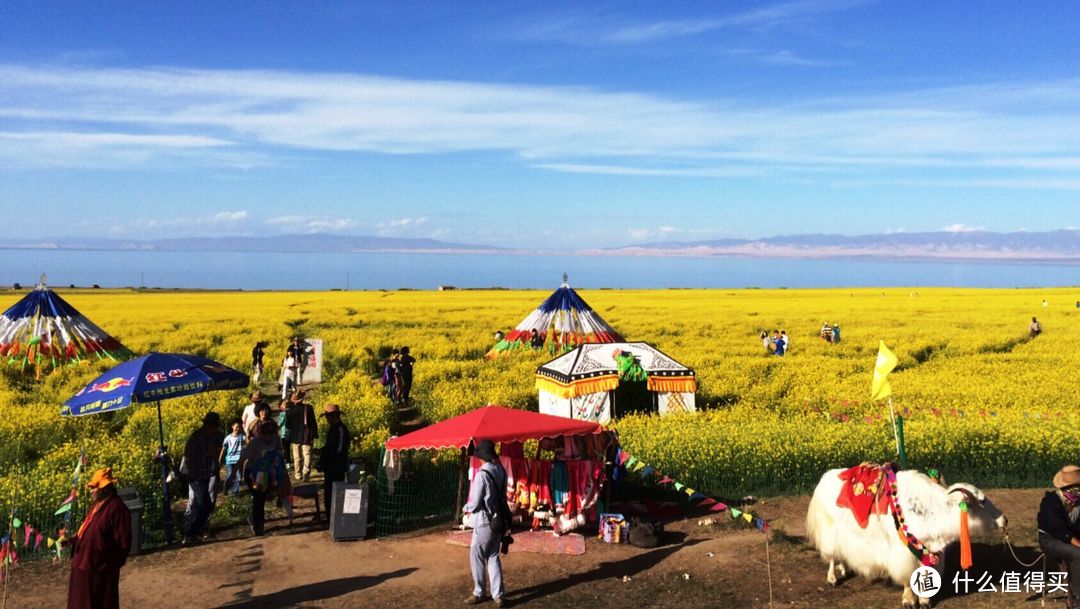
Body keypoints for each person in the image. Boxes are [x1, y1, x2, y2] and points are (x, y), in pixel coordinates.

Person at [67, 467, 131, 609]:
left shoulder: (117, 509)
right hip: (83, 566)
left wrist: (105, 565)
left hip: (99, 571)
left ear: (106, 488)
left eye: (95, 488)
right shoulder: (97, 506)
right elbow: (88, 529)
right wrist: (75, 539)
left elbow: (123, 544)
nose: (91, 491)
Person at [462, 439, 508, 607]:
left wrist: (464, 508)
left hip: (484, 521)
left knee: (477, 556)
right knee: (493, 556)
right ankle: (498, 594)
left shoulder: (482, 475)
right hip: (498, 520)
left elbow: (474, 502)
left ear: (480, 456)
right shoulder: (501, 470)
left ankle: (479, 592)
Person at [1038, 465, 1080, 607]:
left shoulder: (1078, 502)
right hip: (1050, 539)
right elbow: (1060, 531)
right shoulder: (1051, 502)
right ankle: (1076, 596)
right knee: (1077, 554)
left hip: (1071, 537)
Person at [240, 420, 290, 537]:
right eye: (266, 434)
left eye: (271, 434)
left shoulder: (276, 440)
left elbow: (279, 456)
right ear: (261, 434)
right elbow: (243, 459)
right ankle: (258, 527)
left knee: (265, 497)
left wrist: (283, 474)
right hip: (252, 473)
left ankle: (254, 519)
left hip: (266, 472)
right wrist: (232, 476)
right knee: (259, 498)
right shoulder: (255, 443)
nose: (268, 437)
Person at [182, 412, 223, 543]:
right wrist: (211, 454)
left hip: (205, 475)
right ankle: (189, 532)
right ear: (209, 425)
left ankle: (192, 532)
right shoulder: (197, 438)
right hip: (196, 476)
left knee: (202, 505)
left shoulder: (208, 437)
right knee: (205, 505)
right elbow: (192, 456)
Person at [319, 403, 351, 518]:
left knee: (336, 492)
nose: (327, 419)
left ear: (335, 416)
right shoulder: (333, 429)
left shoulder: (341, 430)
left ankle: (335, 517)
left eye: (328, 416)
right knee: (328, 493)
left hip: (337, 467)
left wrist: (326, 455)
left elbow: (339, 450)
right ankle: (329, 517)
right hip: (330, 466)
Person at [286, 390, 317, 482]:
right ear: (302, 399)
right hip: (307, 436)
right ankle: (306, 473)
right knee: (307, 455)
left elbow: (288, 426)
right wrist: (315, 434)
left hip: (295, 437)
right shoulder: (308, 408)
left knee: (297, 457)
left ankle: (298, 474)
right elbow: (313, 423)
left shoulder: (289, 411)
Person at [219, 419, 245, 497]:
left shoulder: (241, 437)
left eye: (240, 427)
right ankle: (225, 488)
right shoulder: (228, 438)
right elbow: (224, 448)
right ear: (232, 426)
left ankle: (234, 493)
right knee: (229, 476)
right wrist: (220, 458)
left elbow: (247, 439)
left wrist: (244, 430)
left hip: (239, 460)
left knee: (239, 477)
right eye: (237, 427)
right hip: (230, 460)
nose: (238, 429)